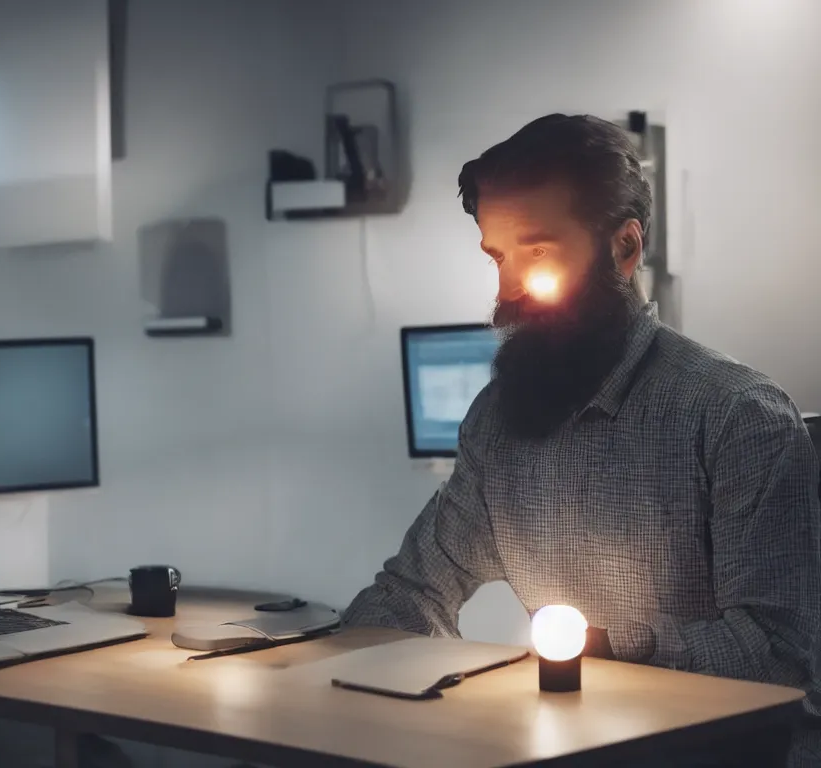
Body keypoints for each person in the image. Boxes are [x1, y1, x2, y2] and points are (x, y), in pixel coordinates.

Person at [342, 114, 821, 767]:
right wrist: (327, 664)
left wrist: (606, 647)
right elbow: (418, 588)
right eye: (497, 257)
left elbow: (784, 655)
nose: (508, 291)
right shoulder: (496, 422)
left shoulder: (737, 417)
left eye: (537, 254)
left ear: (624, 249)